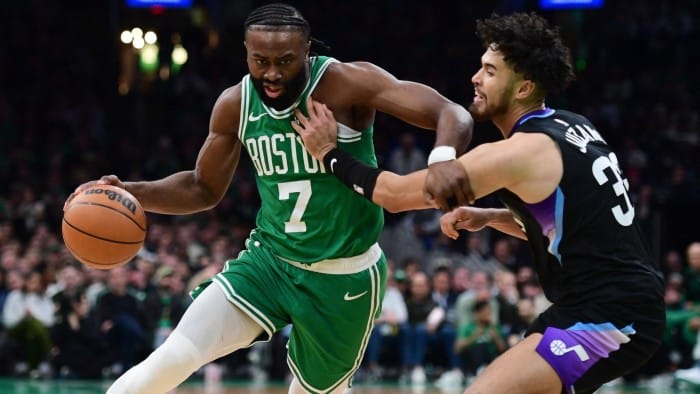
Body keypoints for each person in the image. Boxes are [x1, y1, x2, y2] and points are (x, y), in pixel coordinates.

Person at [65, 3, 473, 393]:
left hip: (344, 277)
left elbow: (451, 113)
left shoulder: (345, 82)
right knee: (170, 358)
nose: (273, 73)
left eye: (286, 61)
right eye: (261, 61)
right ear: (246, 54)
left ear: (307, 52)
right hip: (269, 263)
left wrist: (441, 158)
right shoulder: (235, 104)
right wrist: (129, 191)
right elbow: (202, 188)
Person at [292, 11, 665, 394]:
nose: (475, 77)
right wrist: (489, 217)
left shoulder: (519, 152)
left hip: (614, 316)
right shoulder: (573, 124)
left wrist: (329, 153)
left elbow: (396, 196)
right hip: (603, 303)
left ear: (522, 88)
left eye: (489, 70)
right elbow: (571, 224)